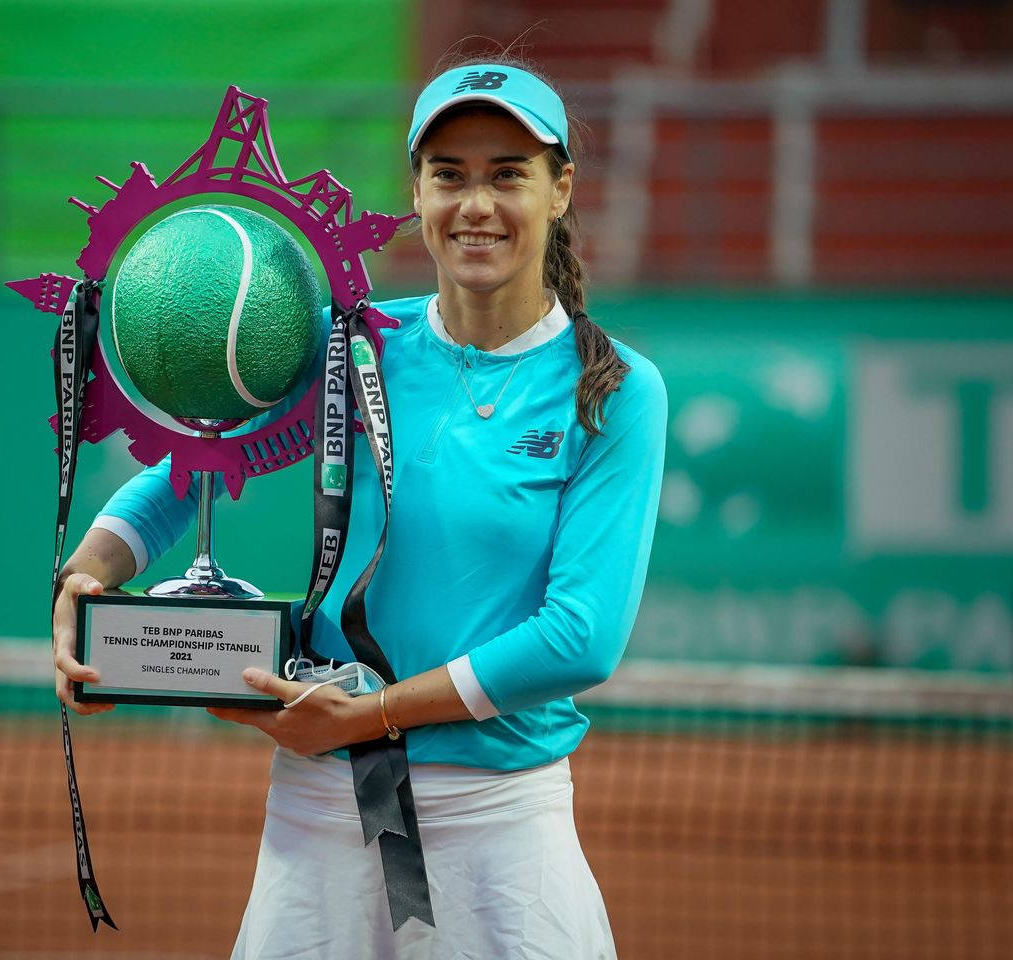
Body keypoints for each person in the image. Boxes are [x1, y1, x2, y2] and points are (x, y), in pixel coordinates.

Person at [52, 56, 667, 960]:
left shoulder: (615, 390)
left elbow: (580, 638)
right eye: (449, 175)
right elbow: (195, 468)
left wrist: (373, 716)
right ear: (416, 191)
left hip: (498, 829)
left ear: (560, 188)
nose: (477, 206)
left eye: (509, 175)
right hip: (318, 818)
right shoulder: (354, 345)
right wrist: (86, 576)